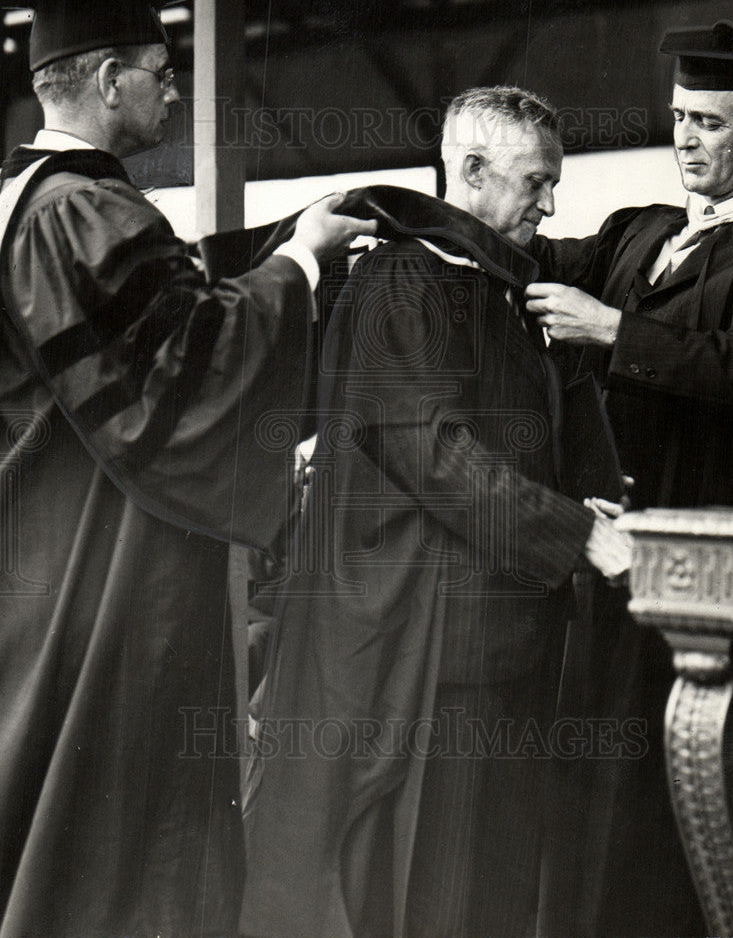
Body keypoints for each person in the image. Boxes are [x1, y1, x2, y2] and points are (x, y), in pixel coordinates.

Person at [0, 0, 377, 938]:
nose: (172, 94)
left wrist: (260, 257)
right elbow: (188, 370)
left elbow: (149, 318)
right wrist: (305, 262)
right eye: (160, 75)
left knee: (34, 792)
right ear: (109, 82)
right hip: (103, 565)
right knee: (121, 812)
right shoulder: (83, 212)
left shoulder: (11, 197)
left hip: (31, 548)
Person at [239, 86, 632, 938]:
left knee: (489, 889)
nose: (550, 203)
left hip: (495, 644)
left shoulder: (490, 289)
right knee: (438, 897)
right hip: (433, 658)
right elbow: (432, 452)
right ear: (472, 172)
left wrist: (575, 502)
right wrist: (577, 534)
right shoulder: (404, 280)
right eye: (535, 182)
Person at [526, 22, 733, 937]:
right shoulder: (639, 229)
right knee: (602, 796)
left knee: (691, 800)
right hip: (616, 551)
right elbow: (529, 262)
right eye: (677, 119)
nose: (685, 139)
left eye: (710, 122)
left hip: (712, 564)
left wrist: (612, 331)